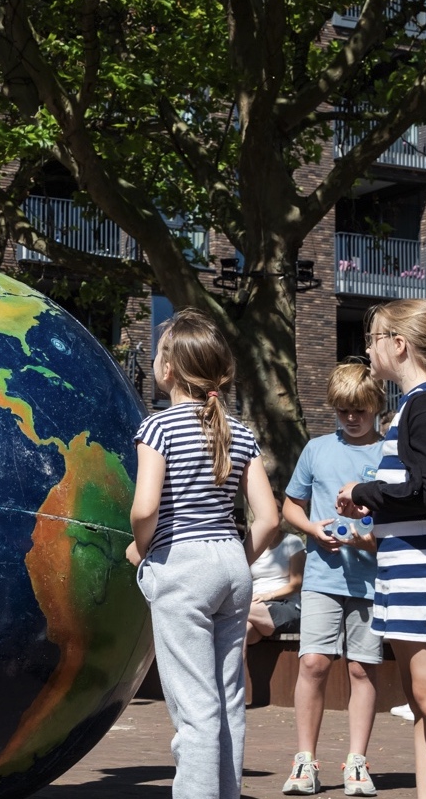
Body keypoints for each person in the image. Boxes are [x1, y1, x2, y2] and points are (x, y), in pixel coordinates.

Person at [126, 308, 281, 799]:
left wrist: (142, 550)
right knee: (228, 698)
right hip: (232, 565)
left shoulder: (158, 428)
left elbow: (145, 506)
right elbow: (270, 518)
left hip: (182, 565)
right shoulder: (241, 432)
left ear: (167, 369)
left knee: (194, 708)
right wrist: (237, 556)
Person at [338, 299, 426, 799]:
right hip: (412, 566)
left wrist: (365, 493)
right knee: (425, 702)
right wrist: (374, 511)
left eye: (373, 339)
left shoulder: (425, 406)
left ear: (397, 345)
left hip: (423, 569)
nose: (368, 349)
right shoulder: (420, 406)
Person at [279, 362, 387, 796]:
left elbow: (399, 522)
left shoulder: (389, 452)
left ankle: (357, 763)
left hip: (372, 579)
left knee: (362, 669)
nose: (350, 418)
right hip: (323, 575)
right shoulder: (317, 449)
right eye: (343, 410)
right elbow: (290, 506)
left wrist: (368, 541)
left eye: (359, 409)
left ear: (375, 406)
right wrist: (312, 529)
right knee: (313, 663)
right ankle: (305, 762)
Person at [246, 534, 305, 644]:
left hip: (286, 605)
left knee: (235, 610)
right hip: (256, 607)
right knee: (241, 635)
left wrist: (268, 595)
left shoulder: (292, 542)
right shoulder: (248, 545)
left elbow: (297, 583)